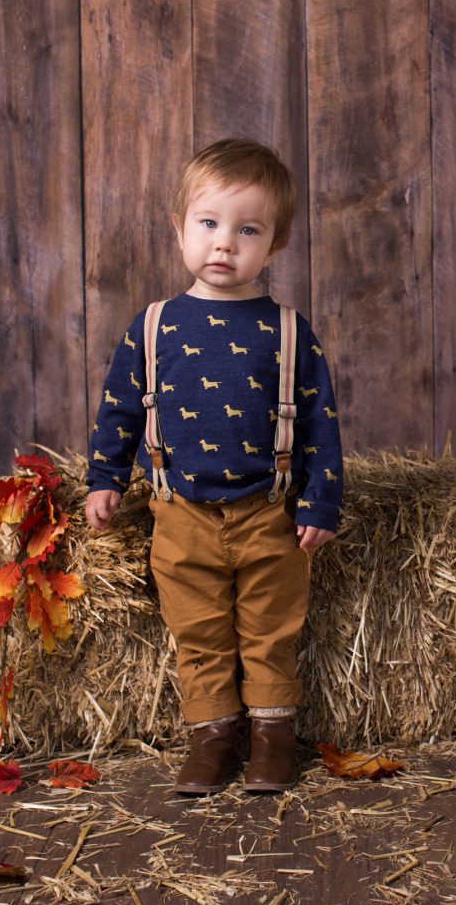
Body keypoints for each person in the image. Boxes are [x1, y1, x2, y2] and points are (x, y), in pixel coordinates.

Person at [85, 138, 342, 796]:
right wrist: (104, 480)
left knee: (269, 631)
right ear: (179, 229)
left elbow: (319, 424)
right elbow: (119, 410)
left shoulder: (287, 331)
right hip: (181, 514)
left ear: (273, 244)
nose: (224, 243)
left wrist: (318, 504)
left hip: (268, 514)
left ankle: (272, 740)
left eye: (246, 229)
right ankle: (210, 739)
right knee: (197, 633)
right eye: (208, 223)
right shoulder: (153, 326)